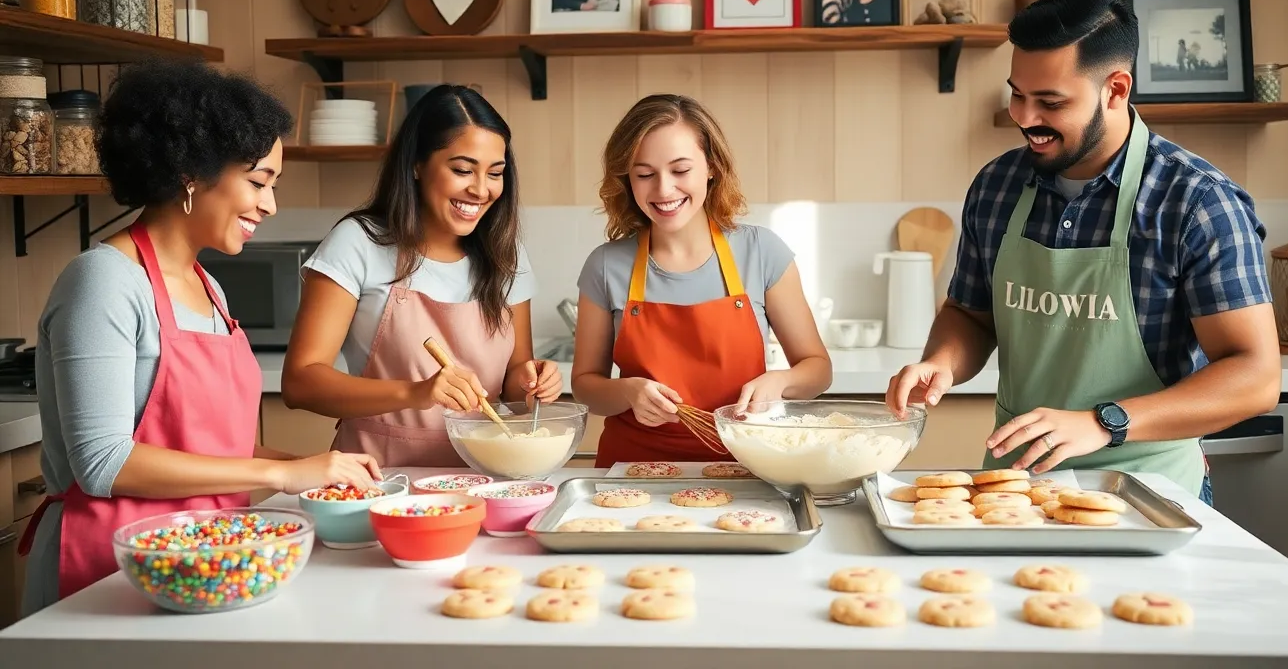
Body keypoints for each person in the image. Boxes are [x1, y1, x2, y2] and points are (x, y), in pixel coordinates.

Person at [885, 0, 1280, 503]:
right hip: (1015, 489)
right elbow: (970, 315)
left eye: (1050, 102)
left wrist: (1104, 422)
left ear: (1116, 89)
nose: (1024, 117)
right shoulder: (997, 186)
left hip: (1150, 493)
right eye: (1017, 94)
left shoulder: (1196, 202)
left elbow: (1255, 376)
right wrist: (942, 361)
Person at [18, 60, 382, 615]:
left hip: (204, 559)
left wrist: (315, 471)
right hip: (107, 573)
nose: (270, 204)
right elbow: (103, 463)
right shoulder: (104, 281)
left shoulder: (208, 286)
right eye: (258, 182)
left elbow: (207, 449)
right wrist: (282, 473)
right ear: (190, 171)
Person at [281, 84, 562, 467]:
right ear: (416, 164)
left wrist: (532, 383)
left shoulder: (505, 252)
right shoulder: (359, 242)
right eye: (462, 170)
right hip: (378, 477)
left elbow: (514, 379)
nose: (481, 189)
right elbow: (300, 383)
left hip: (484, 475)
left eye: (495, 173)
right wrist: (417, 393)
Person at [570, 94, 832, 467]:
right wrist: (628, 392)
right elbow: (585, 386)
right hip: (633, 470)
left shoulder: (761, 251)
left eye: (680, 170)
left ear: (711, 167)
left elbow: (818, 368)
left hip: (746, 465)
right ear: (627, 179)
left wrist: (781, 381)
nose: (663, 190)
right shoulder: (605, 265)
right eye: (644, 174)